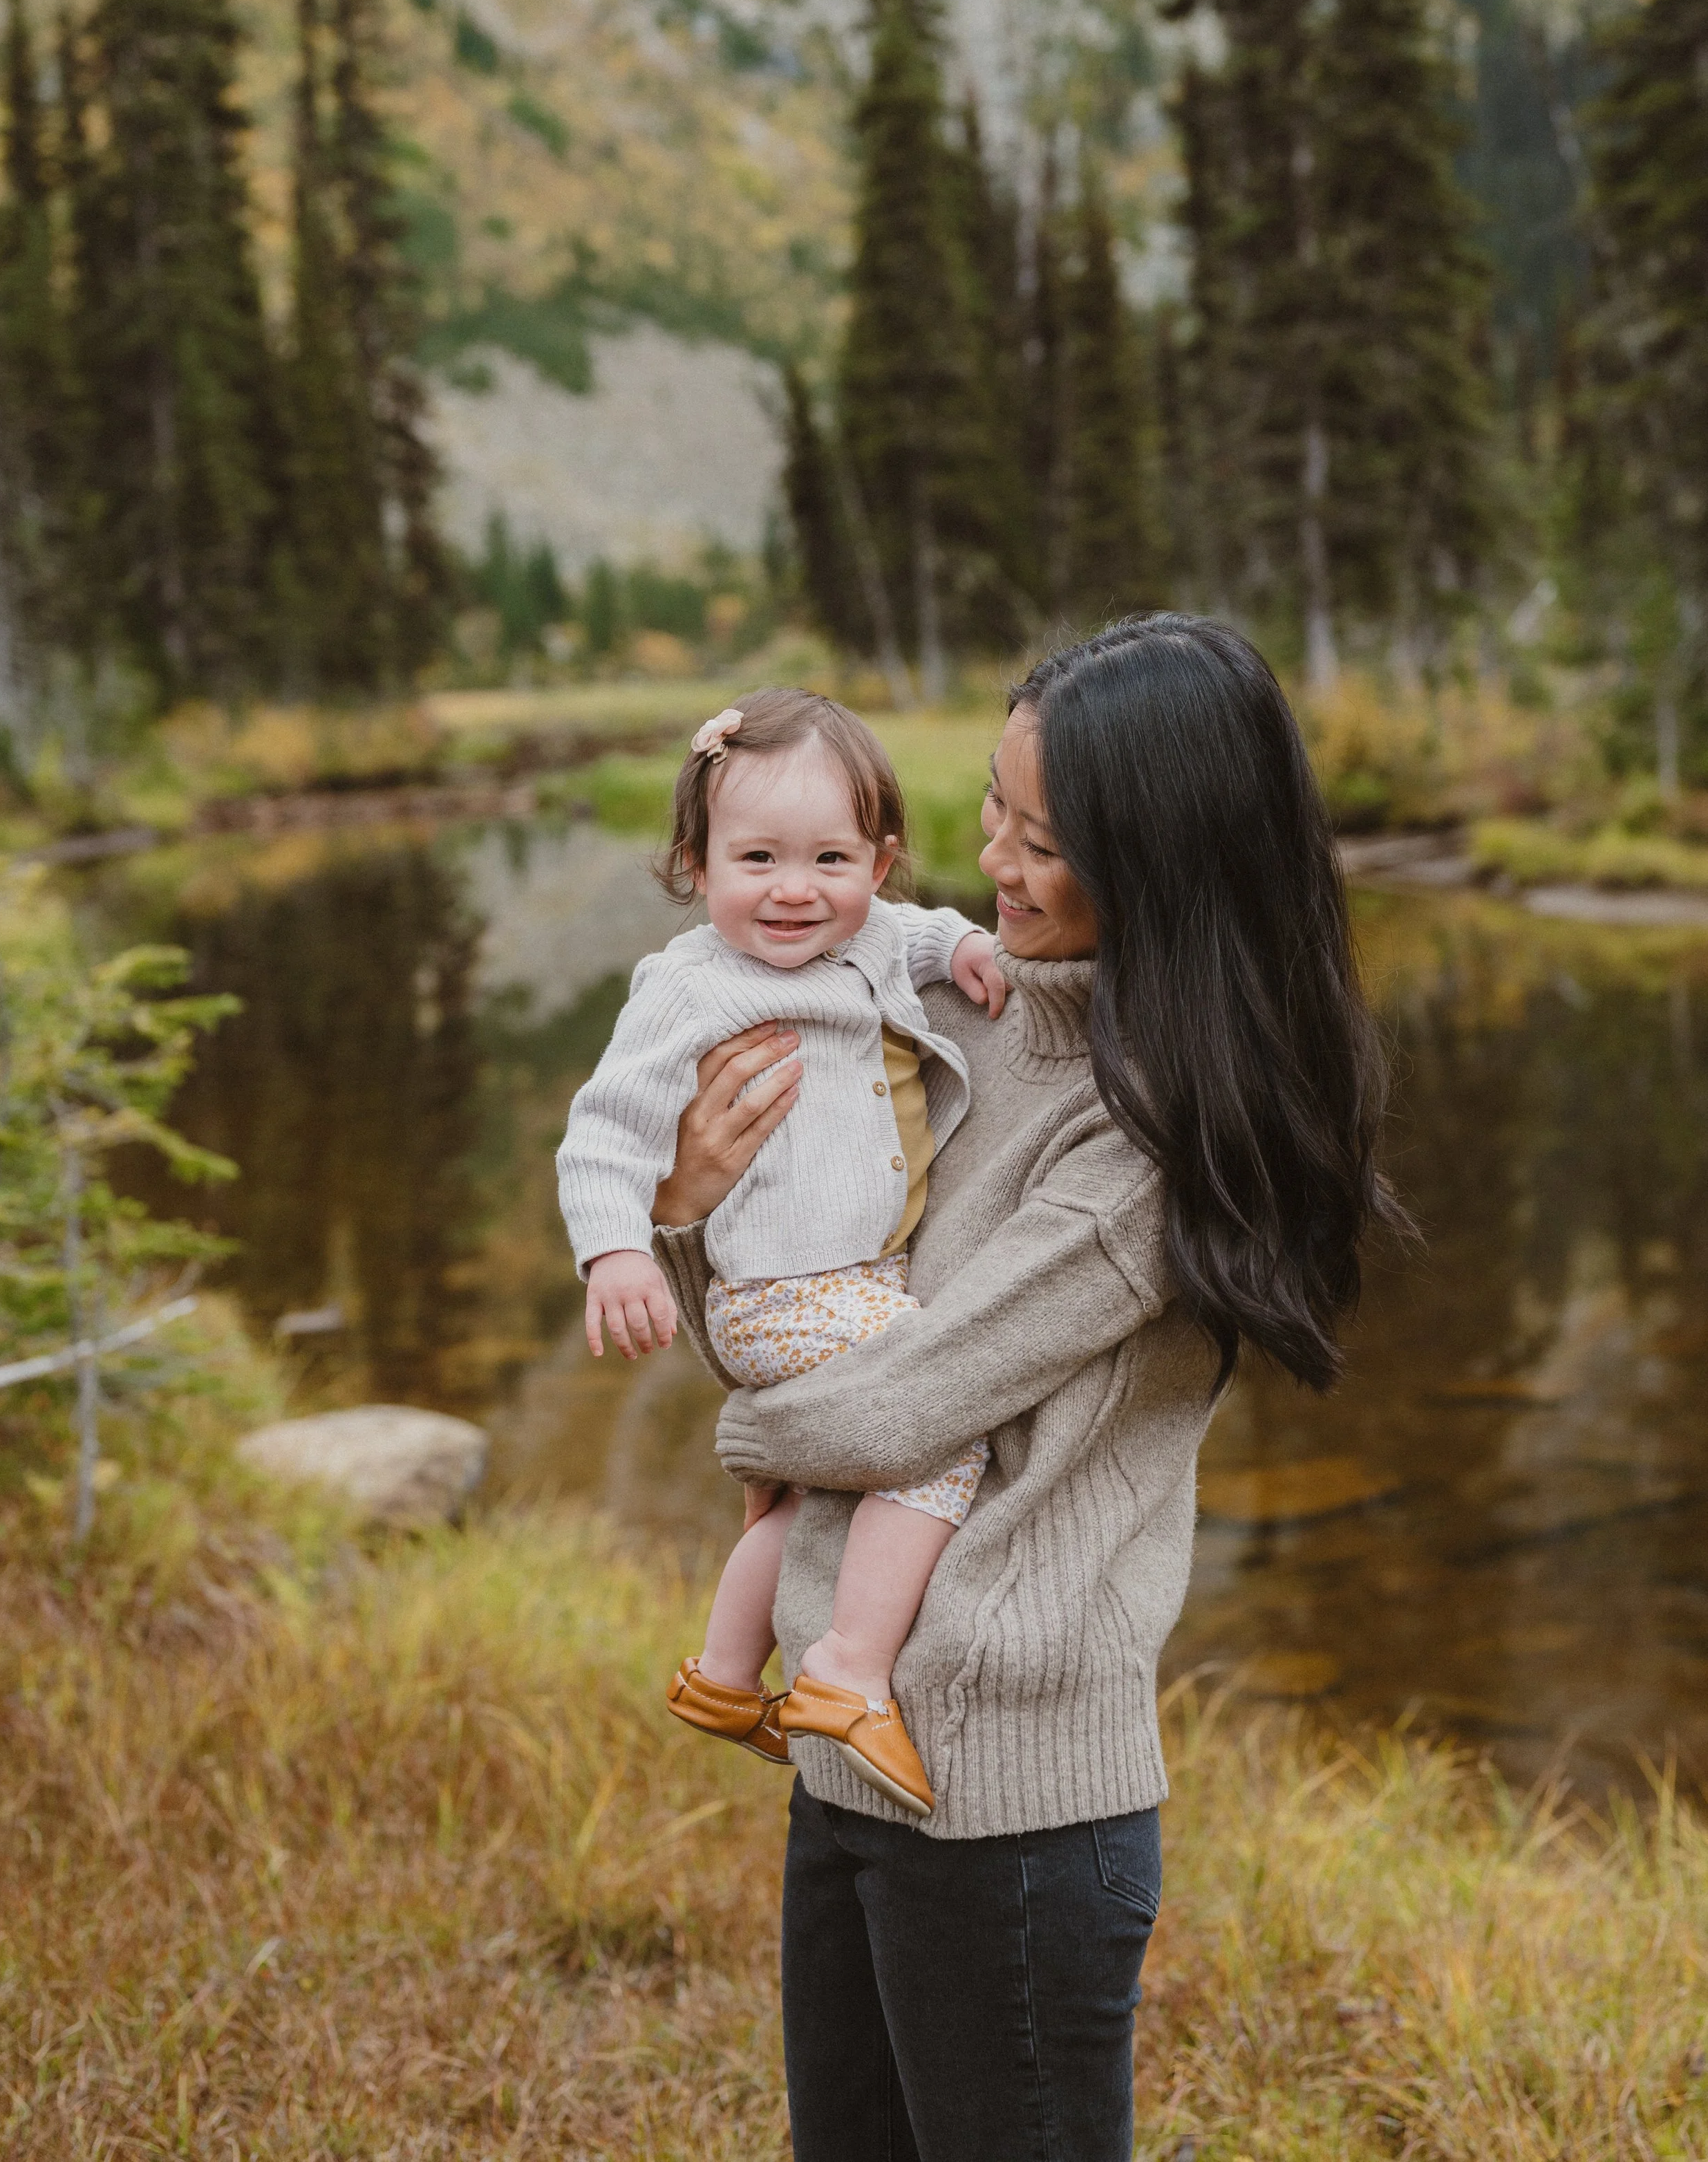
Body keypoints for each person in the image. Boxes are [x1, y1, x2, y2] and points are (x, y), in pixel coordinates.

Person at [647, 615, 1400, 2162]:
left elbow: (895, 1400)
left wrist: (751, 1431)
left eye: (1040, 837)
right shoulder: (959, 1026)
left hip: (1011, 1809)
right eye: (989, 807)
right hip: (843, 1747)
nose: (991, 857)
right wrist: (687, 1215)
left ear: (1162, 858)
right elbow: (803, 1317)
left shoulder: (1157, 1141)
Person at [557, 687, 1008, 1816]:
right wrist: (617, 1252)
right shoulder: (696, 983)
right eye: (757, 857)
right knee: (942, 1414)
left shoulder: (871, 934)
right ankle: (850, 1668)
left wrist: (964, 940)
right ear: (696, 866)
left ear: (882, 862)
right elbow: (607, 1127)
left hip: (855, 1283)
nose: (795, 889)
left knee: (811, 1500)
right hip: (782, 1296)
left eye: (831, 858)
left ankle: (720, 1674)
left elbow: (919, 930)